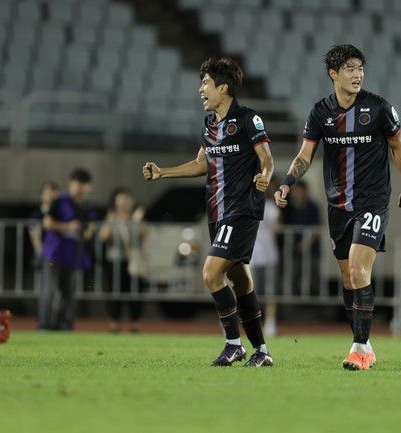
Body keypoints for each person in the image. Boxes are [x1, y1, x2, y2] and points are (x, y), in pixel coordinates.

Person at [275, 45, 401, 371]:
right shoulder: (320, 112)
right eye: (350, 69)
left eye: (360, 68)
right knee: (348, 278)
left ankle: (358, 349)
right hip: (338, 204)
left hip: (373, 201)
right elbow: (305, 155)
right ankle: (365, 345)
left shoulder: (379, 108)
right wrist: (287, 182)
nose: (357, 74)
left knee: (358, 268)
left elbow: (397, 147)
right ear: (333, 74)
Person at [142, 57, 275, 367]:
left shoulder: (248, 119)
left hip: (242, 209)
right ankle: (261, 351)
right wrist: (163, 172)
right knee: (241, 282)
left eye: (205, 83)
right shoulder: (209, 125)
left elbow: (266, 158)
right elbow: (201, 164)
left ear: (223, 87)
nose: (201, 89)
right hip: (217, 211)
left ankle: (233, 345)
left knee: (211, 273)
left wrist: (266, 175)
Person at [40, 168, 96, 331]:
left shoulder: (85, 206)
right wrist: (68, 226)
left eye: (84, 184)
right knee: (49, 290)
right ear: (71, 183)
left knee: (68, 292)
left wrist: (88, 231)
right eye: (78, 183)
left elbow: (89, 227)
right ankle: (45, 324)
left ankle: (64, 325)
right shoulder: (59, 201)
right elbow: (47, 223)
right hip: (54, 252)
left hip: (72, 254)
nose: (80, 187)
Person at [99, 187, 147, 333]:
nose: (124, 203)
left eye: (127, 200)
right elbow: (103, 236)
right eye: (121, 200)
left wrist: (136, 222)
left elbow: (145, 235)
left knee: (136, 291)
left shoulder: (136, 219)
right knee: (114, 291)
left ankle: (135, 322)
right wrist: (110, 222)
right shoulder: (112, 219)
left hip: (133, 261)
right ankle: (114, 322)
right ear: (115, 202)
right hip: (115, 260)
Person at [251, 179, 280, 337]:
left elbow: (275, 228)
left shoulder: (270, 207)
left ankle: (270, 322)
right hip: (253, 255)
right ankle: (252, 322)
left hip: (268, 254)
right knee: (249, 291)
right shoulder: (252, 204)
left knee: (269, 291)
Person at [28, 181, 59, 290]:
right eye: (48, 192)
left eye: (53, 192)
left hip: (58, 252)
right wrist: (39, 250)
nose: (51, 195)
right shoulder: (37, 214)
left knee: (57, 284)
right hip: (44, 252)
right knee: (43, 285)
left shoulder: (60, 213)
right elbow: (32, 232)